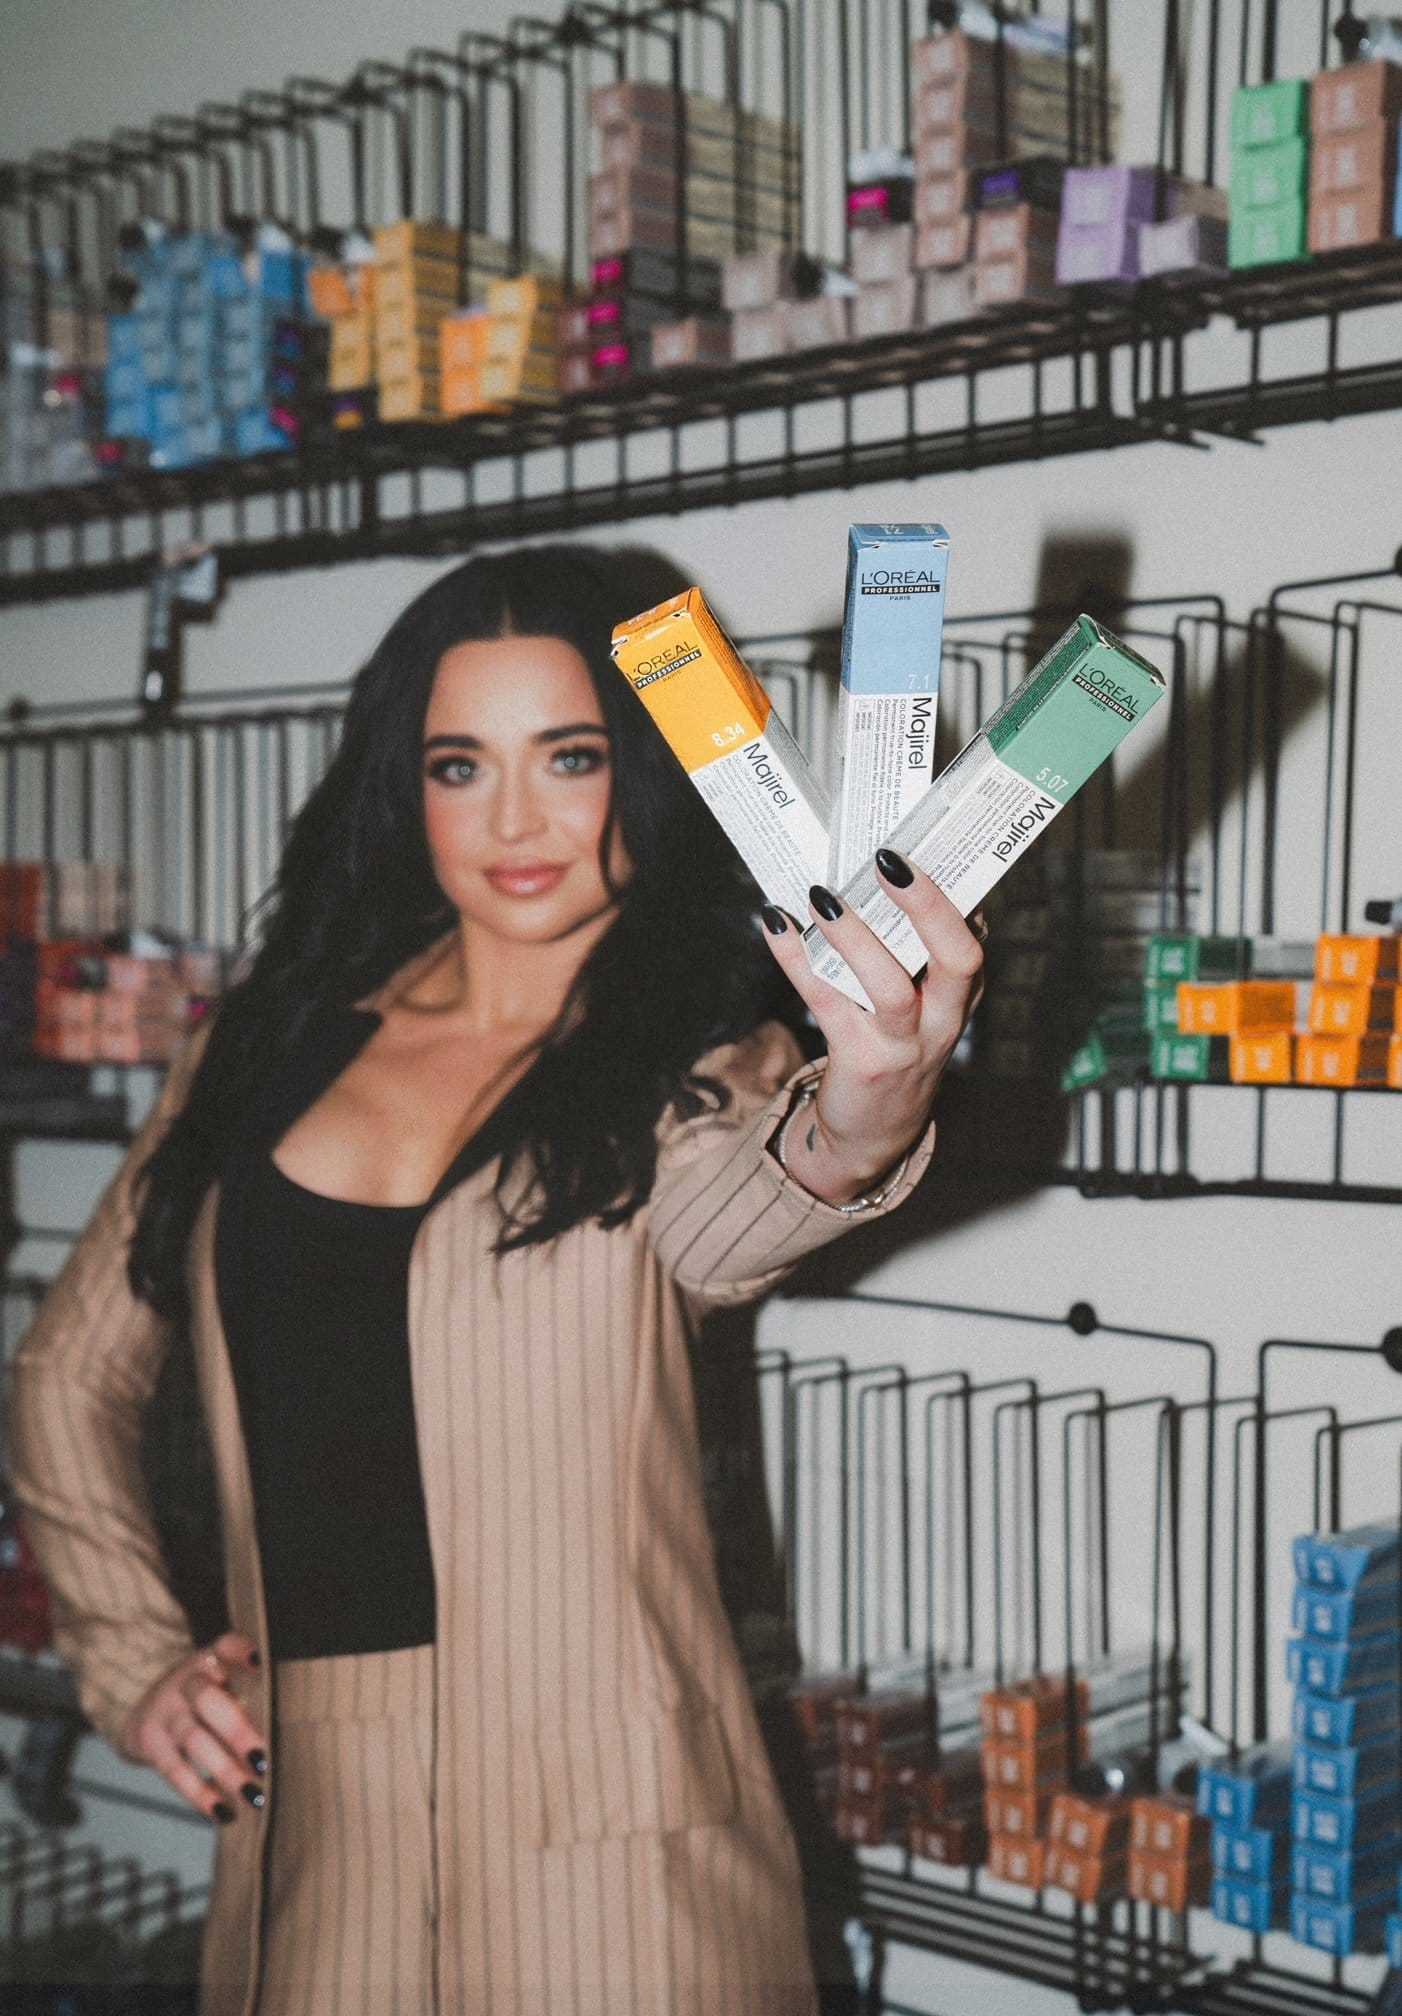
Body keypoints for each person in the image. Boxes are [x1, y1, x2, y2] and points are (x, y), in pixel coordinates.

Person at [6, 542, 983, 2016]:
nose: (513, 818)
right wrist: (135, 1657)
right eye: (459, 765)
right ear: (405, 790)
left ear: (644, 774)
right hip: (308, 1802)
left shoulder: (706, 1063)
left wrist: (869, 1103)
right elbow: (71, 1377)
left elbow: (739, 1218)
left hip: (621, 1836)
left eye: (569, 757)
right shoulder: (261, 1047)